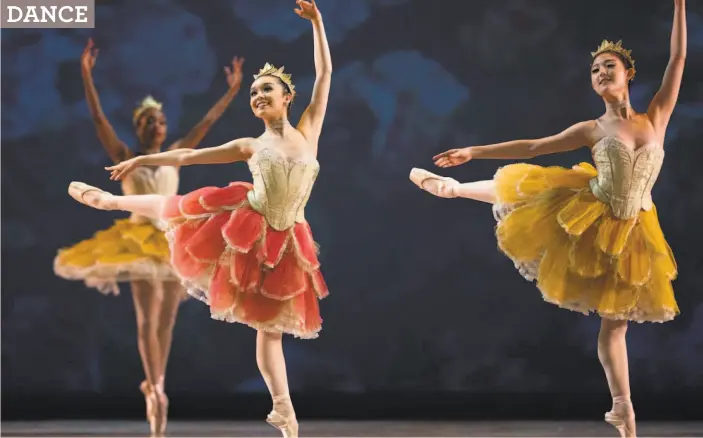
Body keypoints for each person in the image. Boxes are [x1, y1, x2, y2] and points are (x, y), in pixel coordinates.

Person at [410, 1, 686, 436]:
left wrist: (680, 5)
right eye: (594, 69)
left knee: (616, 325)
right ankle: (452, 187)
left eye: (608, 66)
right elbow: (534, 147)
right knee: (530, 195)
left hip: (634, 231)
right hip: (590, 211)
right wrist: (473, 152)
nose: (601, 73)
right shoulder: (592, 129)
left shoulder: (656, 117)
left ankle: (622, 410)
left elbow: (678, 58)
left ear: (627, 73)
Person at [63, 1, 331, 436]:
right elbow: (188, 155)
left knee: (270, 328)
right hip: (252, 224)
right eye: (253, 93)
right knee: (181, 207)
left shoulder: (309, 131)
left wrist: (318, 23)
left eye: (266, 89)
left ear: (288, 97)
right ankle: (110, 202)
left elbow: (325, 76)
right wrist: (144, 159)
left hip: (288, 239)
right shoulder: (250, 144)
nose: (258, 96)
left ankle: (283, 409)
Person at [54, 37, 245, 435]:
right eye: (147, 121)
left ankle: (156, 382)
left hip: (173, 235)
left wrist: (231, 92)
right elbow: (99, 120)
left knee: (168, 318)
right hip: (139, 238)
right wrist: (86, 77)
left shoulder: (174, 152)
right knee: (148, 314)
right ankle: (155, 388)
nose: (155, 125)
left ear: (165, 127)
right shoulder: (125, 156)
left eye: (159, 120)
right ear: (138, 128)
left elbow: (205, 127)